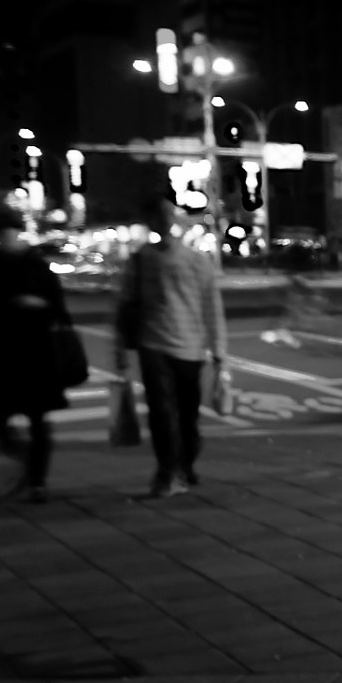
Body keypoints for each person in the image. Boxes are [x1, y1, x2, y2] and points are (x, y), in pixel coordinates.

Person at [119, 193, 227, 497]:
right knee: (161, 412)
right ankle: (167, 471)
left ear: (177, 219)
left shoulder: (198, 261)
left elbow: (212, 308)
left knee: (187, 416)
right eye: (159, 214)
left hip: (191, 350)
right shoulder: (140, 260)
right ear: (151, 221)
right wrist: (120, 354)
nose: (165, 219)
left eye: (170, 213)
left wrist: (219, 354)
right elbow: (124, 305)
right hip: (153, 345)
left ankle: (185, 465)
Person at [0, 209, 70, 503]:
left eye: (10, 229)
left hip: (34, 349)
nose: (6, 235)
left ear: (18, 231)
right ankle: (23, 461)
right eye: (0, 231)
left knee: (38, 417)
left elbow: (59, 308)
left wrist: (36, 304)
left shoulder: (37, 264)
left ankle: (37, 481)